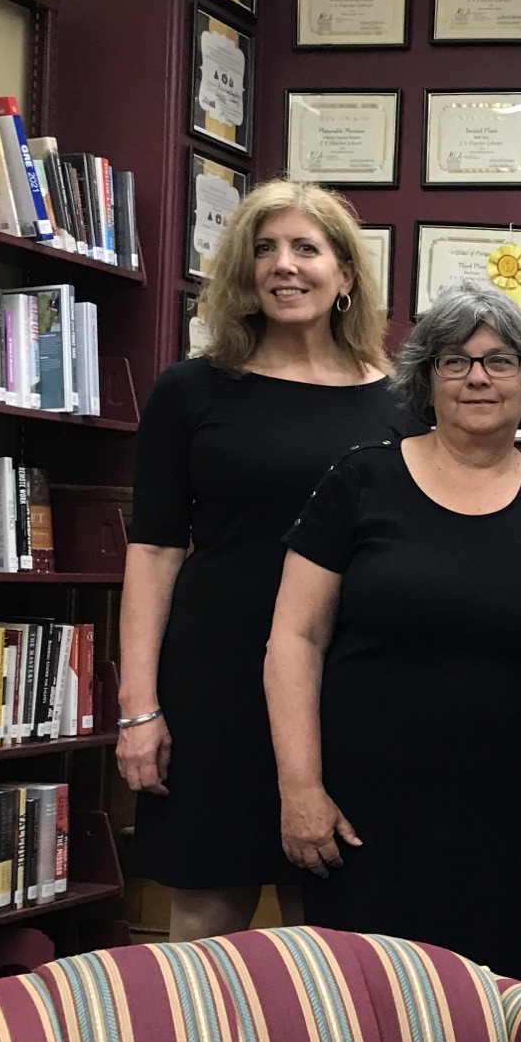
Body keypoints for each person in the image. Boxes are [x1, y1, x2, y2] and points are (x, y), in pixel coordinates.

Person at [263, 282, 521, 982]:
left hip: (514, 820)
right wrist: (299, 788)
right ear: (425, 379)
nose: (477, 376)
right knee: (356, 1009)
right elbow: (293, 642)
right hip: (364, 817)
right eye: (454, 361)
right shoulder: (361, 481)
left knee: (495, 1014)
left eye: (500, 360)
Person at [119, 180, 410, 941]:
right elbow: (152, 551)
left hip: (354, 685)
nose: (285, 266)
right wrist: (139, 708)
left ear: (346, 274)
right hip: (217, 684)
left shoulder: (406, 406)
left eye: (306, 248)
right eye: (264, 249)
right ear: (242, 272)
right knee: (207, 919)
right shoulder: (190, 391)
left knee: (338, 925)